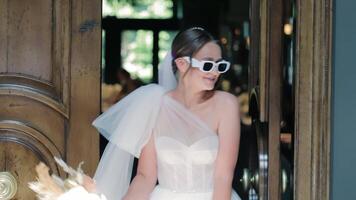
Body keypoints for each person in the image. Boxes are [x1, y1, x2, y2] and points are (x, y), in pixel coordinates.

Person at [90, 27, 241, 200]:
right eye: (207, 65)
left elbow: (223, 177)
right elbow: (145, 177)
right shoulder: (155, 105)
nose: (215, 72)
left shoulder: (226, 104)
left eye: (220, 65)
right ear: (182, 64)